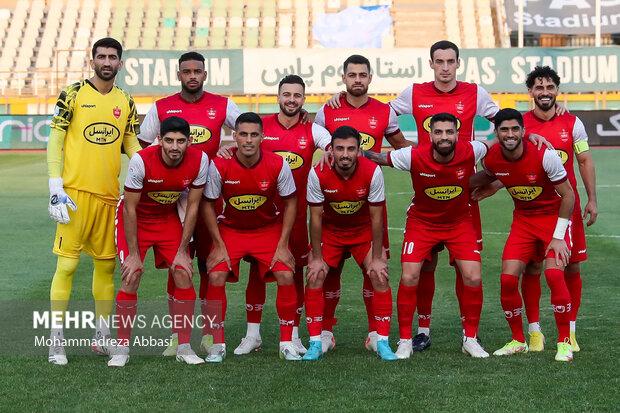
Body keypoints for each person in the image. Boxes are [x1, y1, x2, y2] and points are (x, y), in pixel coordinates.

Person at [220, 75, 332, 356]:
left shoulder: (312, 129)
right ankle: (252, 335)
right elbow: (243, 143)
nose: (291, 100)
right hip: (261, 215)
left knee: (294, 271)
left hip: (296, 215)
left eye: (297, 95)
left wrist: (328, 154)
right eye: (287, 94)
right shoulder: (261, 126)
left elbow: (333, 145)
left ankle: (292, 335)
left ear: (304, 99)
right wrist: (227, 149)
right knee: (257, 273)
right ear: (278, 97)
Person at [138, 51, 241, 356]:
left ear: (205, 74)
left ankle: (211, 334)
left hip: (209, 198)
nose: (192, 76)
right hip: (171, 200)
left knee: (211, 266)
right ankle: (178, 335)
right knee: (178, 265)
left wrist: (230, 147)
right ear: (179, 74)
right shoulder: (161, 107)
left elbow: (252, 133)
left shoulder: (223, 105)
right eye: (187, 71)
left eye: (197, 71)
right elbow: (141, 145)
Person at [364, 112, 490, 359]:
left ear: (457, 134)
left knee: (473, 276)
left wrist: (529, 137)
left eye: (449, 132)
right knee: (410, 275)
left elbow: (500, 148)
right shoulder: (412, 155)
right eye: (439, 132)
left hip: (459, 223)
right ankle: (405, 341)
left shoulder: (472, 150)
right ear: (430, 135)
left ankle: (471, 339)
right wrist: (348, 151)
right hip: (422, 223)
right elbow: (378, 157)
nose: (444, 137)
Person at [46, 37, 141, 365]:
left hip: (109, 198)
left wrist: (148, 167)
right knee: (67, 265)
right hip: (73, 196)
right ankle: (56, 339)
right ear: (92, 61)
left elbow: (130, 142)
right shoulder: (73, 94)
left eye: (113, 57)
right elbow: (56, 137)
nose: (107, 62)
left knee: (106, 267)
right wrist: (55, 184)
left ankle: (101, 337)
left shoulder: (125, 100)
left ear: (120, 63)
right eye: (101, 56)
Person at [314, 54, 410, 354]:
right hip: (333, 207)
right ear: (344, 77)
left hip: (369, 206)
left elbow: (402, 148)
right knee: (328, 273)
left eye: (362, 75)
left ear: (370, 78)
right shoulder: (327, 111)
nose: (357, 79)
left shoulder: (384, 111)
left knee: (376, 272)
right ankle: (325, 333)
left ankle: (375, 334)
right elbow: (312, 137)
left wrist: (433, 154)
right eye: (352, 75)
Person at [473, 108, 575, 362]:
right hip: (523, 221)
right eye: (504, 130)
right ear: (496, 132)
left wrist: (558, 236)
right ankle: (518, 340)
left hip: (553, 220)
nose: (510, 134)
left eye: (515, 129)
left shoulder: (545, 155)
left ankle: (564, 342)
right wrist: (448, 183)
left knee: (553, 274)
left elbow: (569, 195)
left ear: (523, 131)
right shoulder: (492, 158)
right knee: (508, 279)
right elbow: (491, 175)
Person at [109, 116, 208, 367]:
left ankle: (184, 347)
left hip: (166, 217)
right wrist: (133, 255)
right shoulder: (141, 160)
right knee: (132, 275)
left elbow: (193, 206)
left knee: (183, 271)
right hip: (136, 219)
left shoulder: (200, 160)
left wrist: (183, 250)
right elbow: (130, 208)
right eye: (169, 140)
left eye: (181, 141)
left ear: (190, 141)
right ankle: (122, 349)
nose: (175, 147)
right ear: (159, 140)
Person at [201, 112, 300, 362]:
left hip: (266, 230)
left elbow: (291, 202)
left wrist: (283, 245)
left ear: (262, 137)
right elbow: (207, 204)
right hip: (232, 230)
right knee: (216, 274)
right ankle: (217, 344)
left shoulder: (277, 164)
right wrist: (218, 245)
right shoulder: (220, 164)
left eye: (254, 135)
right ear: (234, 136)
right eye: (243, 134)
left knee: (286, 274)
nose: (248, 140)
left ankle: (287, 342)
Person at [519, 66, 596, 353]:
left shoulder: (572, 123)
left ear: (557, 91)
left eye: (550, 87)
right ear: (530, 92)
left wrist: (592, 199)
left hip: (567, 206)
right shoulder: (520, 125)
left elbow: (584, 160)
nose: (545, 92)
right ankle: (535, 332)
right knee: (533, 267)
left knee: (571, 266)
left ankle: (570, 331)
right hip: (533, 209)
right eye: (539, 87)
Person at [304, 126, 396, 361]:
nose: (345, 154)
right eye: (340, 149)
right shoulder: (318, 173)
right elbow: (315, 218)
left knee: (379, 275)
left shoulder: (373, 171)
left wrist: (377, 258)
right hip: (331, 233)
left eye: (351, 149)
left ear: (359, 150)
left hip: (362, 232)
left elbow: (377, 218)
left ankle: (381, 341)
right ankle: (315, 342)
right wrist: (316, 257)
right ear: (331, 150)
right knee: (315, 275)